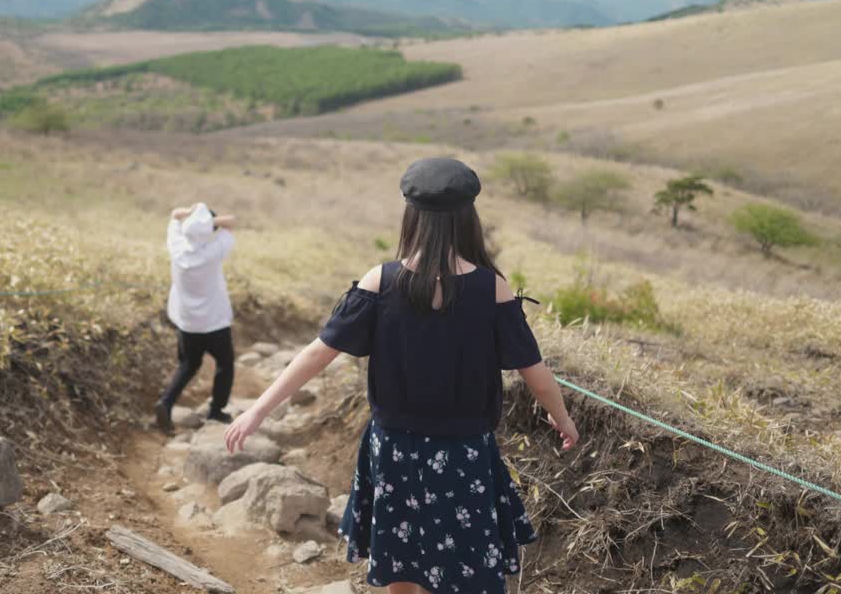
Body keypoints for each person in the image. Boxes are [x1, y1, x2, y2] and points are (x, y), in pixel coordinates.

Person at [225, 158, 578, 594]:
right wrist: (562, 418)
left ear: (411, 216)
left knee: (402, 564)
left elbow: (319, 353)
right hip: (464, 452)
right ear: (469, 218)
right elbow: (535, 371)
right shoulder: (492, 288)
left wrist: (259, 410)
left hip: (394, 449)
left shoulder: (381, 280)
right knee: (469, 568)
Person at [156, 202, 239, 433]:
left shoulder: (177, 247)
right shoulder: (213, 252)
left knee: (189, 364)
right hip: (215, 323)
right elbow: (231, 222)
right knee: (225, 364)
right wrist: (207, 221)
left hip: (187, 323)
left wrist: (190, 215)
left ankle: (166, 402)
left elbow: (174, 215)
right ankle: (216, 410)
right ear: (209, 230)